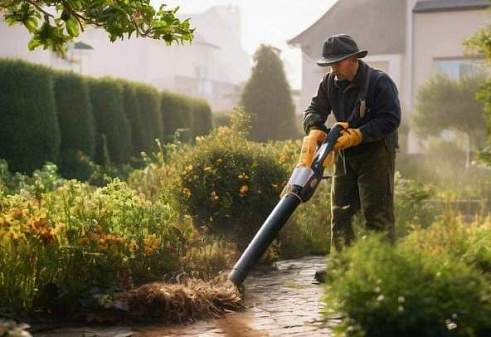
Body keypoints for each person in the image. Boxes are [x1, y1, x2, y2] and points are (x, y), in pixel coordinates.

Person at [303, 34, 401, 255]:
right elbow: (314, 110)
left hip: (376, 153)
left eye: (336, 63)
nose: (332, 69)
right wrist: (314, 127)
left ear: (353, 59)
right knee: (341, 212)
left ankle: (382, 268)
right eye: (329, 65)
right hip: (345, 154)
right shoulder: (329, 83)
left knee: (376, 213)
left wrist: (358, 134)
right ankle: (341, 266)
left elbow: (391, 119)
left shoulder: (378, 82)